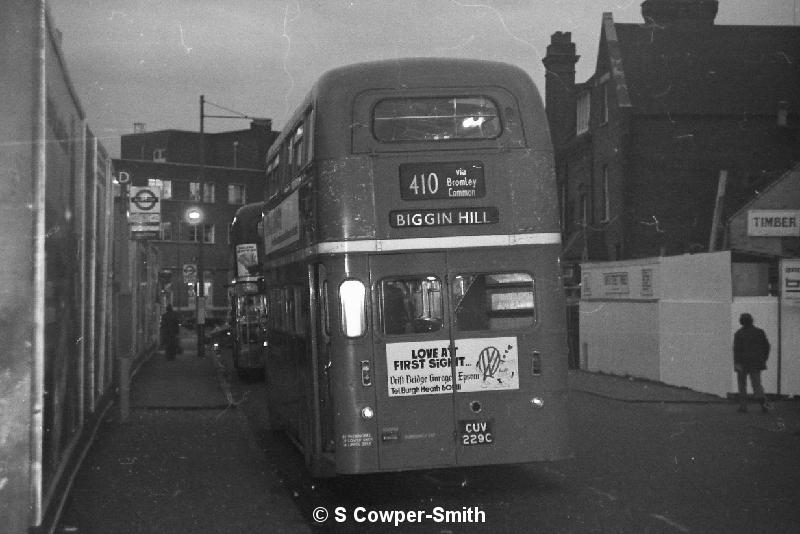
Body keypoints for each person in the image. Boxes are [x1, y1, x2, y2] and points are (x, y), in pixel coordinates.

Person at [733, 313, 771, 413]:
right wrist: (764, 359)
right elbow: (766, 347)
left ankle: (743, 407)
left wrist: (736, 363)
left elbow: (736, 350)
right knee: (757, 385)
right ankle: (764, 405)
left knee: (742, 386)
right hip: (756, 363)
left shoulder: (739, 334)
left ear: (741, 322)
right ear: (751, 320)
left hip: (742, 363)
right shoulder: (759, 332)